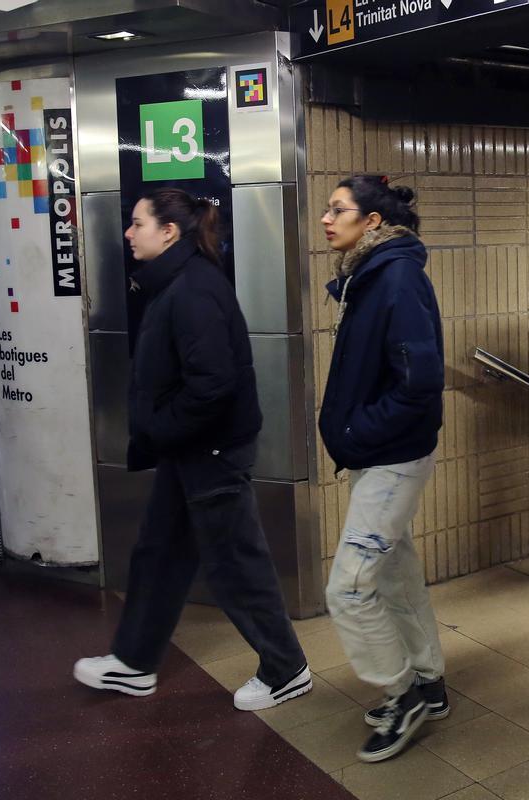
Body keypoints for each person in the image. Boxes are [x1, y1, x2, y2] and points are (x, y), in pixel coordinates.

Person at [74, 188, 310, 711]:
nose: (129, 233)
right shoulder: (176, 284)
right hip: (192, 451)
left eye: (137, 224)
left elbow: (213, 383)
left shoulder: (194, 290)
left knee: (234, 563)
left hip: (211, 452)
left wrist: (161, 427)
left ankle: (286, 668)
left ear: (169, 232)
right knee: (159, 554)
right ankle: (134, 663)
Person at [318, 175, 447, 764]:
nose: (326, 218)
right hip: (381, 453)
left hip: (391, 455)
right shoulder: (367, 276)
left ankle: (401, 697)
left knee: (348, 588)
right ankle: (428, 681)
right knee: (394, 574)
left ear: (371, 222)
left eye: (338, 209)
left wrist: (356, 431)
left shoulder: (394, 279)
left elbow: (420, 384)